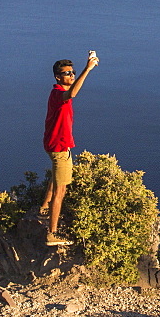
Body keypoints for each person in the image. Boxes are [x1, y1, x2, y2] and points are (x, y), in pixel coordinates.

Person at [39, 54, 98, 246]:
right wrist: (87, 69)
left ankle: (44, 206)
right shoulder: (58, 94)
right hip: (59, 147)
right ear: (57, 76)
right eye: (67, 73)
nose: (71, 76)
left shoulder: (58, 92)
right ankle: (52, 234)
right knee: (61, 190)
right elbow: (72, 93)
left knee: (56, 176)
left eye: (72, 72)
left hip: (54, 144)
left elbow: (71, 91)